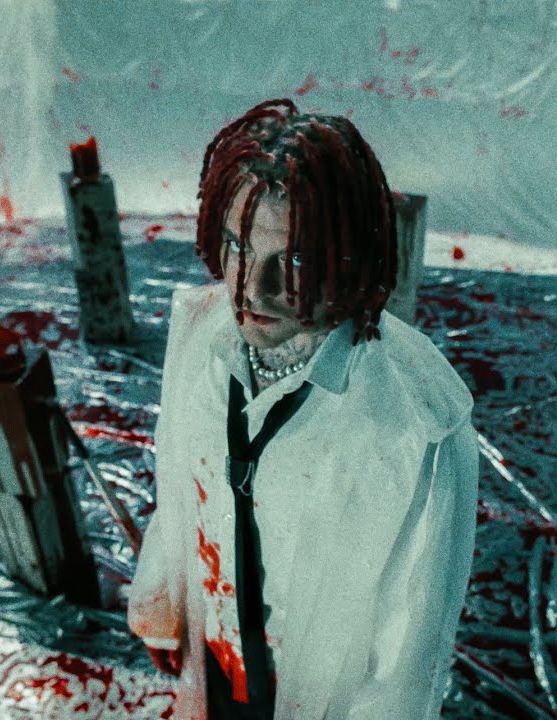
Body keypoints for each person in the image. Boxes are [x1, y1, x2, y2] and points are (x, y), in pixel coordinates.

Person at [128, 98, 479, 719]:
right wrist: (162, 603)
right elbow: (177, 485)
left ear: (352, 257)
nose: (249, 288)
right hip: (219, 662)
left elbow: (407, 657)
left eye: (291, 261)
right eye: (236, 245)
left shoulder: (418, 427)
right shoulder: (198, 329)